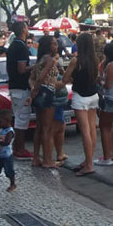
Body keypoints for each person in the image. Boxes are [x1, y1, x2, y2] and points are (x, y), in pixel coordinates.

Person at [63, 32, 99, 176]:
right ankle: (88, 160)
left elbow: (65, 78)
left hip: (80, 96)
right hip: (93, 95)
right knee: (92, 129)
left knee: (85, 131)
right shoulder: (95, 59)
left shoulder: (75, 61)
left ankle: (89, 164)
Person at [29, 35, 64, 168]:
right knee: (47, 128)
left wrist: (34, 90)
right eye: (54, 44)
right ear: (48, 46)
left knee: (39, 127)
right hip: (47, 93)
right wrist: (36, 90)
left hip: (39, 94)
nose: (56, 46)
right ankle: (47, 160)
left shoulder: (40, 59)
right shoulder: (49, 59)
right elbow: (41, 77)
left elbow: (32, 78)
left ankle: (36, 158)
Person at [6, 22, 34, 159]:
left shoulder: (13, 45)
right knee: (22, 119)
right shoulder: (21, 47)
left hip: (14, 86)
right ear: (23, 30)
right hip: (21, 87)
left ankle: (17, 147)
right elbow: (22, 69)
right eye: (26, 27)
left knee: (18, 118)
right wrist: (35, 66)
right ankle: (20, 149)